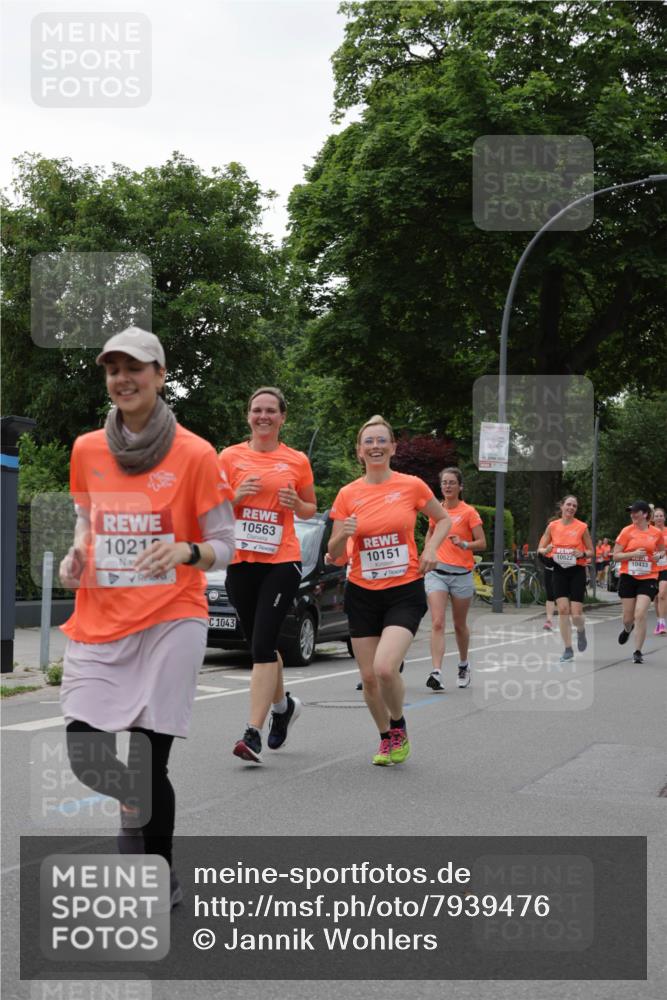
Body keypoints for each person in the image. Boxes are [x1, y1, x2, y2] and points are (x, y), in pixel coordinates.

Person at [59, 327, 235, 906]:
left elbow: (225, 545)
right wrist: (77, 552)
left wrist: (185, 550)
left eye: (134, 367)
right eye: (113, 369)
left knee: (147, 758)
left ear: (160, 375)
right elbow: (87, 520)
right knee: (86, 753)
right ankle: (132, 807)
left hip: (171, 618)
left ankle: (159, 873)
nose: (122, 378)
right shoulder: (87, 449)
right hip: (101, 618)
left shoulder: (196, 453)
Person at [327, 415, 451, 766]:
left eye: (382, 440)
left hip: (404, 590)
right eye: (369, 442)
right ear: (359, 451)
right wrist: (342, 534)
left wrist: (431, 549)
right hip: (362, 592)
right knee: (368, 679)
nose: (376, 446)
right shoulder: (348, 494)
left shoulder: (411, 486)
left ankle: (398, 724)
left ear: (393, 448)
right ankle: (385, 737)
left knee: (384, 668)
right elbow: (336, 554)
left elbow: (443, 519)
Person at [219, 387, 316, 764]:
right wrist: (236, 496)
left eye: (271, 410)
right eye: (257, 410)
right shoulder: (229, 457)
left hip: (282, 561)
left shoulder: (296, 460)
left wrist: (297, 503)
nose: (263, 416)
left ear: (282, 417)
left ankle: (252, 733)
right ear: (248, 416)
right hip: (241, 562)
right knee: (261, 644)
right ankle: (283, 707)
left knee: (261, 647)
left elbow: (310, 509)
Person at [423, 467, 486, 691]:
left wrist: (464, 544)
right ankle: (436, 672)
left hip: (461, 575)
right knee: (437, 622)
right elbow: (431, 533)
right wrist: (427, 552)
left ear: (460, 487)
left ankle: (463, 664)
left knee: (459, 625)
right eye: (444, 483)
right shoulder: (436, 511)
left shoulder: (469, 512)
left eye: (452, 483)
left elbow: (482, 543)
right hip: (437, 573)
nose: (447, 486)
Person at [537, 495, 593, 661]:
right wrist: (546, 550)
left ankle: (581, 631)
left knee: (576, 614)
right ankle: (568, 649)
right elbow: (540, 549)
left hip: (577, 571)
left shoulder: (582, 527)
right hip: (559, 570)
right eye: (568, 504)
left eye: (574, 506)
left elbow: (591, 551)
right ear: (562, 506)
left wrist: (582, 553)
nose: (571, 508)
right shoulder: (552, 526)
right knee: (562, 609)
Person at [614, 500, 665, 661]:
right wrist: (633, 554)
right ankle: (627, 629)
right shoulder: (626, 531)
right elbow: (616, 556)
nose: (632, 515)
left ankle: (637, 651)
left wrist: (658, 556)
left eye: (635, 512)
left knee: (640, 613)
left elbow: (662, 551)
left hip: (648, 576)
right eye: (631, 512)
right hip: (628, 577)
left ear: (645, 514)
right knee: (628, 619)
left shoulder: (656, 533)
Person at [652, 507, 667, 635]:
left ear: (664, 518)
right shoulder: (649, 532)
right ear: (653, 518)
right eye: (656, 516)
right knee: (656, 597)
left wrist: (664, 552)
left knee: (662, 593)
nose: (659, 518)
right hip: (652, 568)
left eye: (661, 516)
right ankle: (659, 621)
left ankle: (662, 623)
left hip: (665, 567)